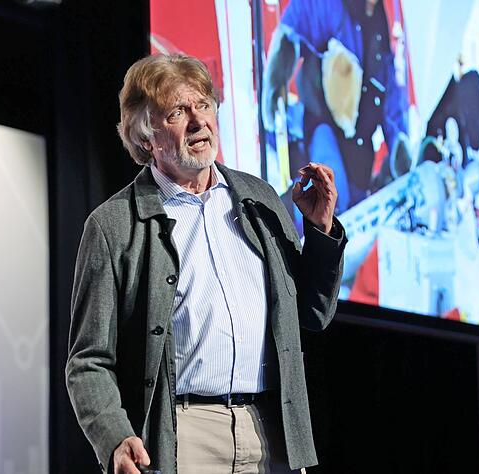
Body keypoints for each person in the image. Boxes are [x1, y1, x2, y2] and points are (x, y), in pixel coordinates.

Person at [66, 54, 346, 474]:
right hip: (183, 435)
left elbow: (313, 313)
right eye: (177, 112)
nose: (198, 121)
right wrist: (114, 438)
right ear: (145, 138)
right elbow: (89, 360)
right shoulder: (114, 226)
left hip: (270, 429)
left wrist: (320, 232)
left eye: (204, 105)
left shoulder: (259, 198)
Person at [262, 0, 409, 213]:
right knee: (329, 199)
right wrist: (276, 82)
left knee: (352, 211)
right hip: (324, 127)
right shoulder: (331, 6)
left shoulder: (380, 23)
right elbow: (295, 24)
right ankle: (280, 215)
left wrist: (399, 142)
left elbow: (388, 90)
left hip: (359, 143)